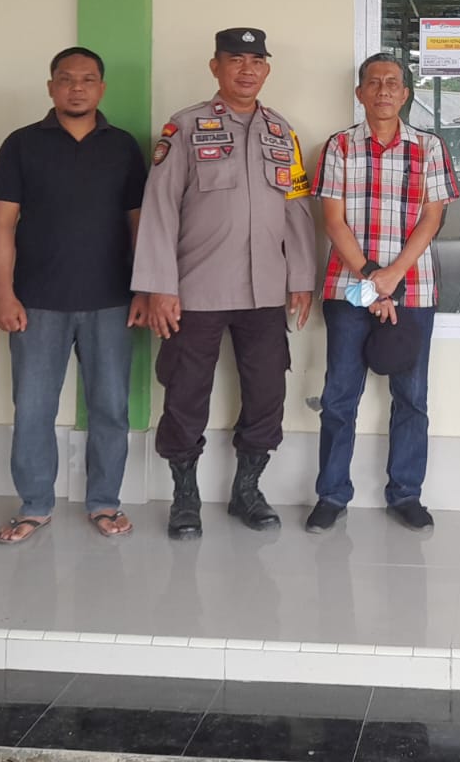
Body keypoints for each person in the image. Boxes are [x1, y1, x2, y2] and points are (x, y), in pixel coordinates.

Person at [130, 27, 317, 538]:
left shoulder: (282, 132)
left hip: (266, 291)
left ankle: (247, 491)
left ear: (267, 69)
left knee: (267, 391)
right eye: (235, 60)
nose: (246, 70)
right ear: (215, 67)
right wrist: (159, 285)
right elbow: (160, 209)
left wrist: (301, 277)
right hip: (197, 289)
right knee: (186, 391)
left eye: (256, 61)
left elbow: (297, 207)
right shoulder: (185, 127)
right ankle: (184, 496)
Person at [0, 47, 149, 544]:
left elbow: (140, 225)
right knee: (33, 409)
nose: (77, 88)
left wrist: (144, 288)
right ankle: (35, 504)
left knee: (110, 408)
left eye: (88, 79)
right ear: (51, 86)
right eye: (66, 79)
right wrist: (3, 293)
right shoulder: (21, 144)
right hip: (36, 302)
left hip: (112, 301)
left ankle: (105, 501)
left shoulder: (123, 146)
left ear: (102, 88)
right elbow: (2, 226)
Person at [306, 53, 459, 534]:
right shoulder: (339, 147)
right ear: (360, 93)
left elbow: (432, 218)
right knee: (339, 396)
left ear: (406, 93)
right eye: (374, 82)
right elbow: (333, 221)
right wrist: (373, 278)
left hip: (412, 290)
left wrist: (393, 276)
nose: (384, 90)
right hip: (349, 288)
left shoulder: (429, 147)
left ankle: (406, 493)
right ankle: (331, 494)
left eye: (393, 82)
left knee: (411, 397)